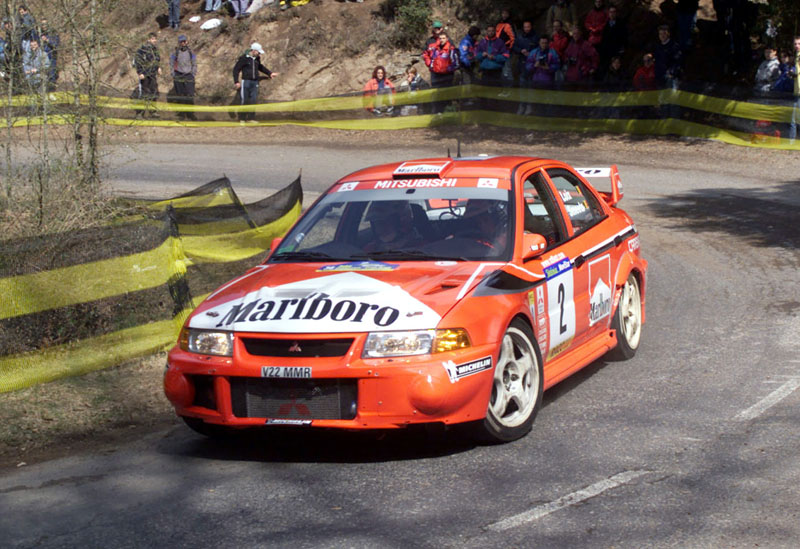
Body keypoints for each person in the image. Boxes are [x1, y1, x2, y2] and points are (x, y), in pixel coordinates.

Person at [232, 42, 278, 122]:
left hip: (255, 82)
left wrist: (269, 73)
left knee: (253, 100)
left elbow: (260, 67)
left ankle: (251, 118)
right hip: (246, 82)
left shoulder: (257, 59)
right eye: (258, 51)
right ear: (253, 51)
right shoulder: (244, 58)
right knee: (245, 100)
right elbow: (236, 70)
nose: (259, 53)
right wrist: (236, 81)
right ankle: (242, 118)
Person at [423, 30, 459, 113]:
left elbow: (456, 63)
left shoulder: (451, 49)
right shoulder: (435, 49)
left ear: (447, 39)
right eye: (440, 38)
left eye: (443, 38)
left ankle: (449, 112)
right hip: (436, 75)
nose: (442, 40)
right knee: (437, 95)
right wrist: (431, 66)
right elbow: (428, 56)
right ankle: (438, 113)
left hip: (447, 76)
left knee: (447, 95)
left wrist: (448, 69)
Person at [134, 33, 162, 117]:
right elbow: (137, 61)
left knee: (153, 92)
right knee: (144, 94)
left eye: (155, 39)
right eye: (153, 39)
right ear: (148, 39)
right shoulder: (142, 50)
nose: (154, 41)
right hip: (144, 74)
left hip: (152, 74)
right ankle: (140, 113)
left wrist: (158, 68)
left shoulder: (155, 50)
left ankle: (152, 111)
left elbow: (157, 60)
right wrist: (140, 72)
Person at [170, 35, 197, 120]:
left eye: (184, 41)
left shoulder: (191, 52)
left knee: (190, 94)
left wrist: (193, 73)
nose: (183, 43)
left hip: (189, 75)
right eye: (181, 42)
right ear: (179, 43)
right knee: (180, 95)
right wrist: (173, 73)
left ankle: (190, 113)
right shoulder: (175, 53)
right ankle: (181, 114)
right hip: (178, 74)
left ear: (187, 42)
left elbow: (194, 63)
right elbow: (171, 63)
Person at [512, 20, 537, 88]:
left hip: (533, 62)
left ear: (531, 27)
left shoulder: (536, 37)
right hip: (522, 62)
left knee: (532, 84)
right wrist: (521, 51)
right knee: (522, 82)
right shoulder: (520, 37)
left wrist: (531, 53)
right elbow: (514, 47)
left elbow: (539, 48)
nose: (526, 29)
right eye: (525, 27)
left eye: (528, 27)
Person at [39, 19, 59, 87]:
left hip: (51, 55)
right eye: (42, 24)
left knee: (51, 71)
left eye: (45, 24)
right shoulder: (39, 33)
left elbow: (55, 44)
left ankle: (52, 84)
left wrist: (47, 40)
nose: (44, 26)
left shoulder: (53, 33)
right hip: (42, 55)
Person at [789, 36, 800, 143]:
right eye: (795, 44)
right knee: (794, 119)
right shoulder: (796, 57)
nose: (797, 46)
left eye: (799, 44)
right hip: (796, 91)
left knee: (793, 119)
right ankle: (792, 141)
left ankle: (791, 141)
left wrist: (794, 72)